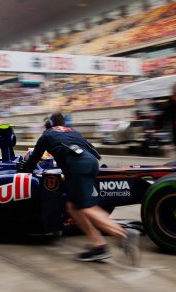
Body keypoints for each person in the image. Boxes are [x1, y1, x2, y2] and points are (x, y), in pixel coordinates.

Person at [19, 112, 141, 265]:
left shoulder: (47, 134)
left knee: (86, 207)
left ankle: (123, 234)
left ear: (49, 124)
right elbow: (93, 152)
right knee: (73, 207)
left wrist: (23, 169)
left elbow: (32, 161)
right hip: (91, 163)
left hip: (77, 166)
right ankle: (98, 245)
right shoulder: (74, 132)